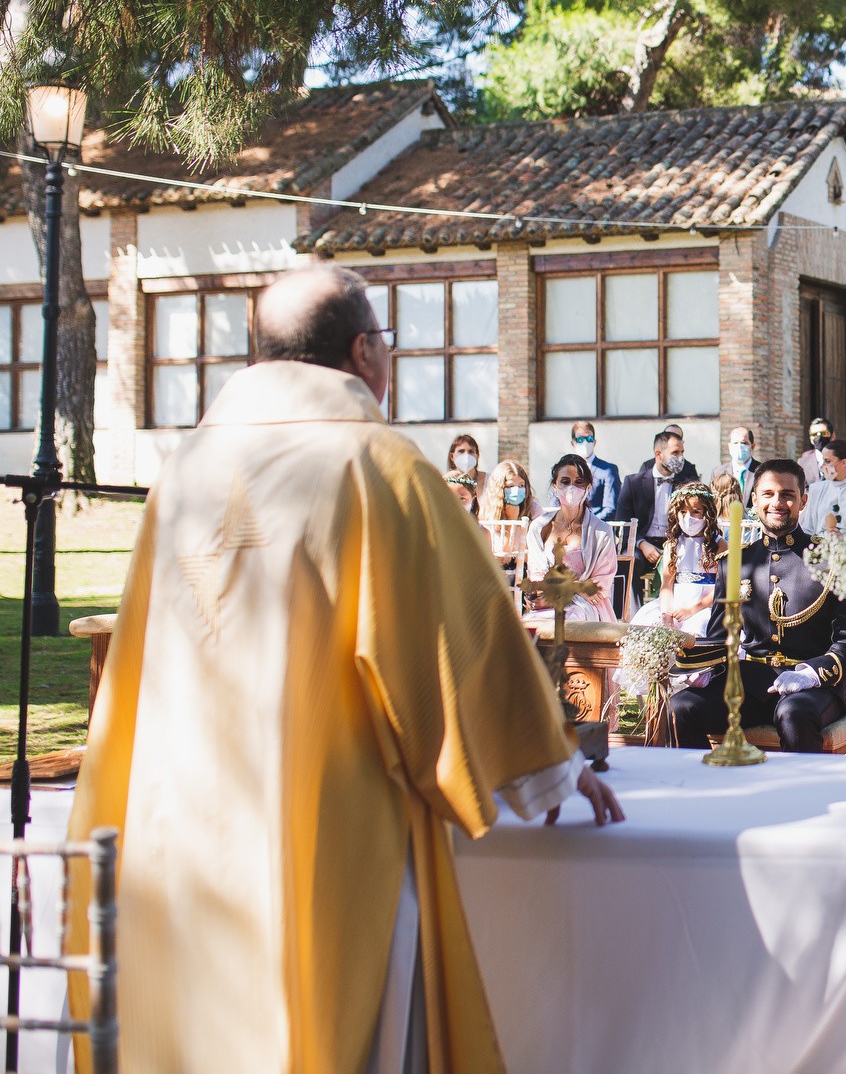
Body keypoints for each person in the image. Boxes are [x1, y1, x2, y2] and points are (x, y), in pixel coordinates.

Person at [65, 264, 621, 1072]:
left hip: (177, 812)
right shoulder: (376, 463)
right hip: (324, 815)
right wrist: (548, 765)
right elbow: (455, 631)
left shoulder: (185, 468)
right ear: (364, 351)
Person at [668, 460, 846, 751]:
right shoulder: (735, 562)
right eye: (768, 494)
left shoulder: (836, 561)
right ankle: (705, 779)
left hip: (814, 688)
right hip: (749, 684)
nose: (777, 502)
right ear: (754, 499)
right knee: (681, 707)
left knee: (793, 713)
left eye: (787, 495)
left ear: (803, 501)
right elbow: (720, 637)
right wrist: (698, 666)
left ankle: (802, 783)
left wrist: (812, 673)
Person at [525, 454, 620, 623]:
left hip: (585, 606)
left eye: (579, 482)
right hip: (547, 603)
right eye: (565, 481)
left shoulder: (602, 532)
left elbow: (599, 585)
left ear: (588, 487)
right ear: (555, 486)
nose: (571, 488)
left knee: (567, 619)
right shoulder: (538, 528)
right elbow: (536, 574)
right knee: (527, 625)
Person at [615, 427, 700, 613]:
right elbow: (623, 521)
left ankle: (676, 613)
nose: (681, 457)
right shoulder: (633, 483)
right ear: (658, 454)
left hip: (676, 544)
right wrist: (641, 543)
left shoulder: (687, 482)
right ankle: (636, 616)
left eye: (682, 452)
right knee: (630, 562)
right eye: (675, 453)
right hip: (643, 545)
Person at [629, 484, 723, 649]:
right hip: (674, 605)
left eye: (695, 512)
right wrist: (666, 612)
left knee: (696, 629)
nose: (688, 518)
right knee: (649, 627)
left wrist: (692, 609)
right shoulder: (672, 545)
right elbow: (667, 585)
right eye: (683, 512)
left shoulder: (719, 545)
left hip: (704, 606)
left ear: (707, 513)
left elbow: (722, 586)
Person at [569, 420, 622, 521]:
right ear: (573, 443)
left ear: (594, 442)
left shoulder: (608, 470)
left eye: (589, 438)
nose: (585, 443)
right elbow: (556, 505)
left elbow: (611, 509)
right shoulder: (563, 471)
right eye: (580, 439)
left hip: (597, 526)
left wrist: (587, 523)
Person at [725, 425, 762, 498]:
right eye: (735, 443)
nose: (739, 447)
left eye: (744, 443)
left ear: (752, 446)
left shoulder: (762, 471)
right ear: (729, 446)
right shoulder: (718, 472)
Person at [798, 417, 834, 486]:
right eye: (814, 434)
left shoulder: (841, 461)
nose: (819, 436)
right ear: (811, 439)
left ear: (832, 436)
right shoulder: (803, 463)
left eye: (823, 433)